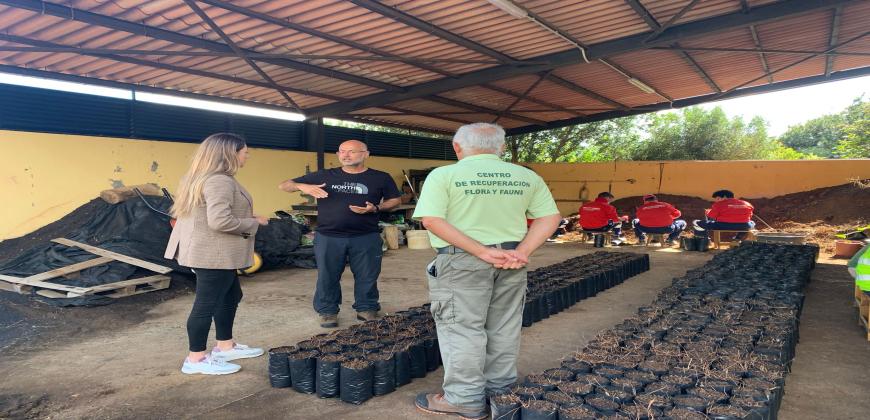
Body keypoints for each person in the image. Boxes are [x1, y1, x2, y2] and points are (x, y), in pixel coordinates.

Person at [412, 123, 560, 420]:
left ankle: (464, 399)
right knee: (504, 327)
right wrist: (523, 252)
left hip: (462, 262)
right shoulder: (525, 176)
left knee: (462, 329)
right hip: (511, 261)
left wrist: (480, 251)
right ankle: (500, 392)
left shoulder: (444, 175)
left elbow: (432, 220)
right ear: (501, 148)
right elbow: (550, 216)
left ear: (457, 147)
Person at [165, 133, 268, 375]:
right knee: (205, 305)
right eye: (245, 152)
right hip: (213, 254)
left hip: (212, 252)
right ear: (230, 154)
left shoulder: (199, 178)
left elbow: (206, 215)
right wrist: (253, 223)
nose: (247, 156)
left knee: (231, 296)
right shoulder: (219, 181)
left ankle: (225, 346)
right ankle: (196, 359)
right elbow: (220, 221)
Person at [279, 140, 401, 328]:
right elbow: (284, 185)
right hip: (329, 236)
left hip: (365, 235)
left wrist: (376, 207)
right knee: (327, 275)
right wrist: (302, 186)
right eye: (342, 152)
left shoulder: (380, 177)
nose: (345, 155)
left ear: (366, 154)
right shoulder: (325, 175)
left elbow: (395, 200)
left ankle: (366, 307)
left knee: (367, 275)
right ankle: (327, 311)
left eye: (351, 152)